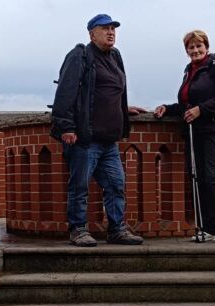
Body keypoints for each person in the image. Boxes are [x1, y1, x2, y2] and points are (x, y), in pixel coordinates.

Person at [51, 13, 146, 247]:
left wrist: (123, 108)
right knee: (80, 186)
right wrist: (66, 127)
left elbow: (112, 90)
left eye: (113, 28)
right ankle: (78, 230)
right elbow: (65, 92)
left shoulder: (115, 56)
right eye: (105, 28)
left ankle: (117, 230)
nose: (111, 32)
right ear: (92, 34)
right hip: (85, 138)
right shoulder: (80, 56)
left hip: (109, 140)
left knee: (116, 185)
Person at [154, 30, 215, 244]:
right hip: (195, 131)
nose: (195, 50)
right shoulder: (189, 71)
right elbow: (186, 104)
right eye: (191, 47)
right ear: (186, 51)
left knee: (212, 177)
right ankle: (208, 228)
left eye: (199, 46)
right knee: (199, 178)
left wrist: (201, 109)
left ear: (206, 47)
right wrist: (167, 108)